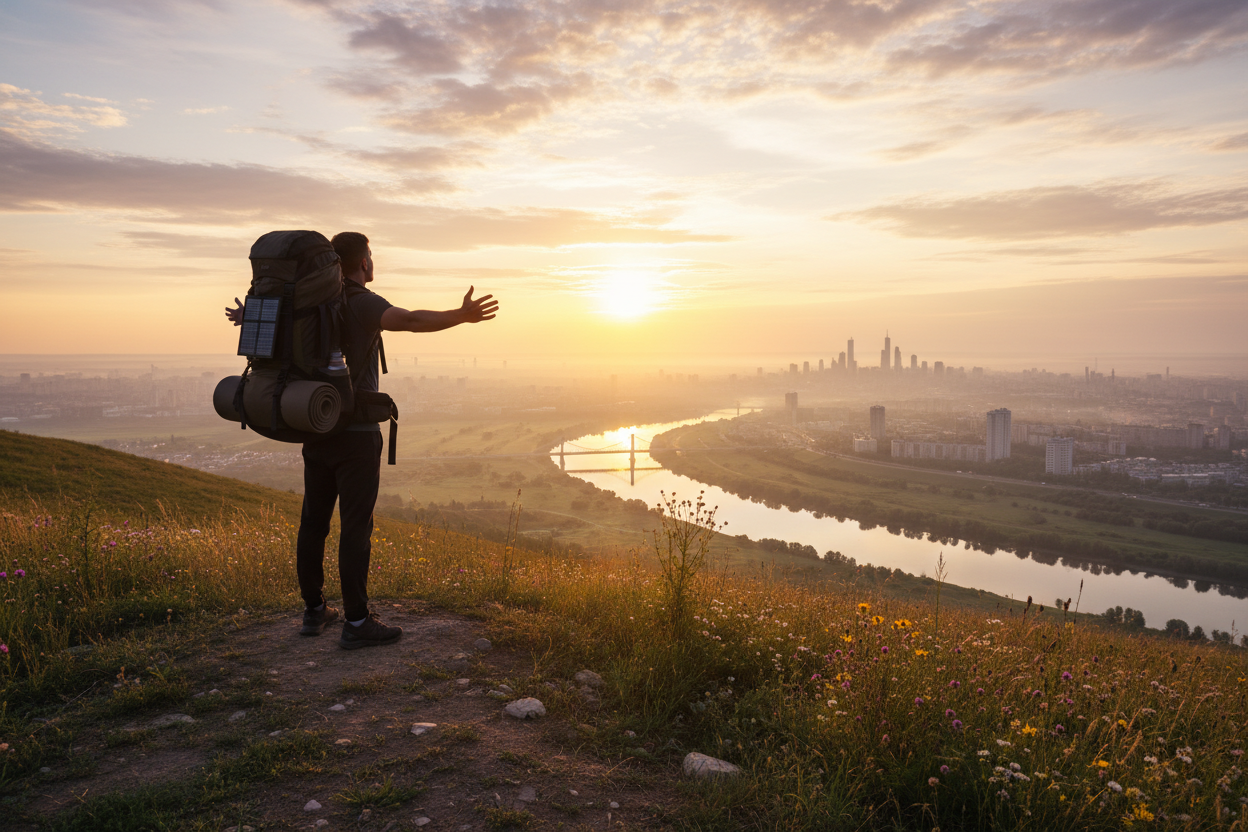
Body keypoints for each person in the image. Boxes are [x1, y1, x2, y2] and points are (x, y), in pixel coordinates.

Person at [226, 232, 498, 648]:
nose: (372, 261)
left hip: (314, 423)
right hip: (355, 434)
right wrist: (461, 315)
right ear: (363, 262)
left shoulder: (308, 302)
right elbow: (409, 320)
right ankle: (356, 622)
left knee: (313, 522)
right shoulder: (359, 301)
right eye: (370, 255)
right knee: (355, 528)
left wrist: (251, 316)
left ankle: (314, 610)